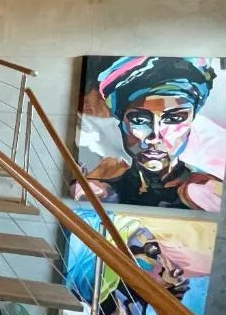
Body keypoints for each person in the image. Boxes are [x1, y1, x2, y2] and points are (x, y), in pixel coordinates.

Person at [71, 57, 221, 211]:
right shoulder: (100, 190)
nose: (155, 136)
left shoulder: (208, 191)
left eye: (174, 119)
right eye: (139, 120)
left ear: (191, 121)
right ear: (121, 123)